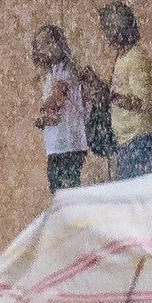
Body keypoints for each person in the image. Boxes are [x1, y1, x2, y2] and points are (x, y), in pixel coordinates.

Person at [98, 2, 152, 179]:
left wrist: (112, 97)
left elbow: (142, 103)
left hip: (141, 140)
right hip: (127, 141)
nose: (106, 36)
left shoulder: (136, 59)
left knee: (137, 194)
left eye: (108, 30)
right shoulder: (123, 57)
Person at [32, 25, 89, 193]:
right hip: (61, 146)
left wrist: (41, 115)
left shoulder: (64, 71)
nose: (40, 50)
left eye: (44, 44)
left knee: (64, 193)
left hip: (66, 145)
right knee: (62, 191)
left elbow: (57, 100)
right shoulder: (54, 72)